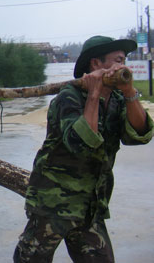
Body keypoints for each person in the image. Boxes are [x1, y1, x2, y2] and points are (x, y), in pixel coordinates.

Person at [13, 36, 154, 262]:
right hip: (54, 204)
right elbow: (79, 143)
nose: (123, 66)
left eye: (124, 61)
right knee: (30, 258)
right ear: (96, 64)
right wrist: (94, 94)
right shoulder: (68, 98)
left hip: (91, 205)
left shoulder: (118, 99)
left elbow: (139, 134)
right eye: (118, 60)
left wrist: (129, 91)